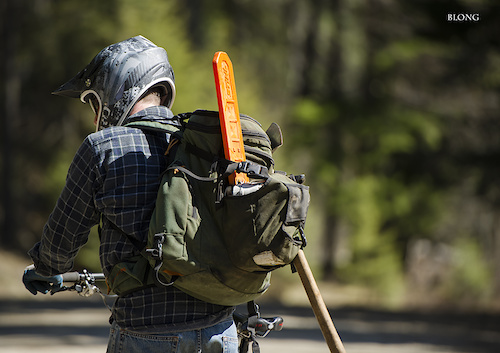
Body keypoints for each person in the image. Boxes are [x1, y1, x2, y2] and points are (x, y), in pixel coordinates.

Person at [22, 35, 238, 353]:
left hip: (146, 333)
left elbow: (59, 247)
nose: (96, 118)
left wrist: (45, 268)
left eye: (95, 102)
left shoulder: (102, 147)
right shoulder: (205, 145)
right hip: (221, 331)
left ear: (118, 89)